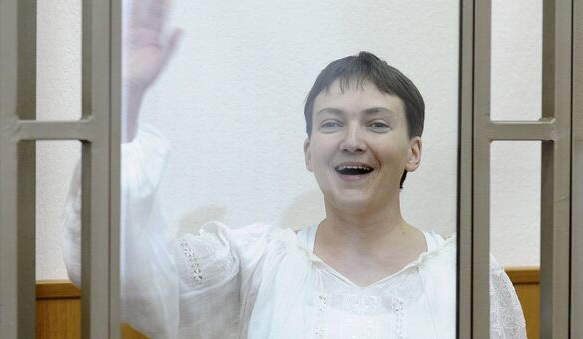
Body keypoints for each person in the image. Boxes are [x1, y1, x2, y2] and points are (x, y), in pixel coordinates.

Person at [62, 0, 527, 338]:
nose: (352, 140)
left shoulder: (468, 276)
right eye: (331, 123)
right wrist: (124, 97)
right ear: (309, 152)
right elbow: (114, 270)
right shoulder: (252, 264)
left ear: (414, 151)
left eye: (377, 123)